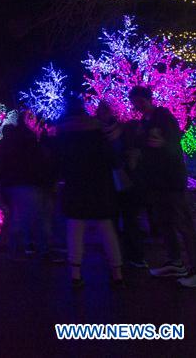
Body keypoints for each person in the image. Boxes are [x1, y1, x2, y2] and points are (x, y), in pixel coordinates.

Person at [128, 86, 196, 288]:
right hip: (156, 182)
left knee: (183, 223)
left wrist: (159, 144)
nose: (137, 105)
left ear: (148, 99)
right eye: (135, 102)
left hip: (171, 181)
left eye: (140, 101)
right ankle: (175, 262)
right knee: (164, 221)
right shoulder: (145, 122)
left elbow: (171, 142)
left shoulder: (162, 117)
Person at [55, 97, 123, 287]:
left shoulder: (63, 132)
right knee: (106, 229)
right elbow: (112, 158)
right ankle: (117, 273)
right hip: (100, 185)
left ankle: (75, 274)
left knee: (75, 229)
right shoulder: (97, 129)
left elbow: (58, 162)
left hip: (75, 186)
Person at [95, 101, 148, 268]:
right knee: (123, 219)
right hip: (116, 180)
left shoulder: (104, 134)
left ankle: (124, 255)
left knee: (122, 219)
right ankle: (126, 255)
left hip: (117, 180)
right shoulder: (119, 131)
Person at [0, 123, 56, 260]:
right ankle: (36, 247)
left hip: (10, 184)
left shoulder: (2, 145)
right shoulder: (30, 146)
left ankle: (22, 247)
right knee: (36, 217)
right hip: (28, 184)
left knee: (19, 216)